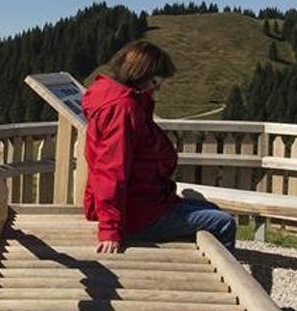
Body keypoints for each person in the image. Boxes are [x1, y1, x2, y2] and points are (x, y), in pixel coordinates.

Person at [82, 40, 236, 253]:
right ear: (140, 75)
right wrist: (110, 229)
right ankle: (226, 281)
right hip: (138, 215)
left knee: (212, 211)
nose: (156, 88)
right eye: (155, 82)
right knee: (224, 223)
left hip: (144, 203)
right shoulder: (122, 110)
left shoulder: (125, 101)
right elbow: (111, 171)